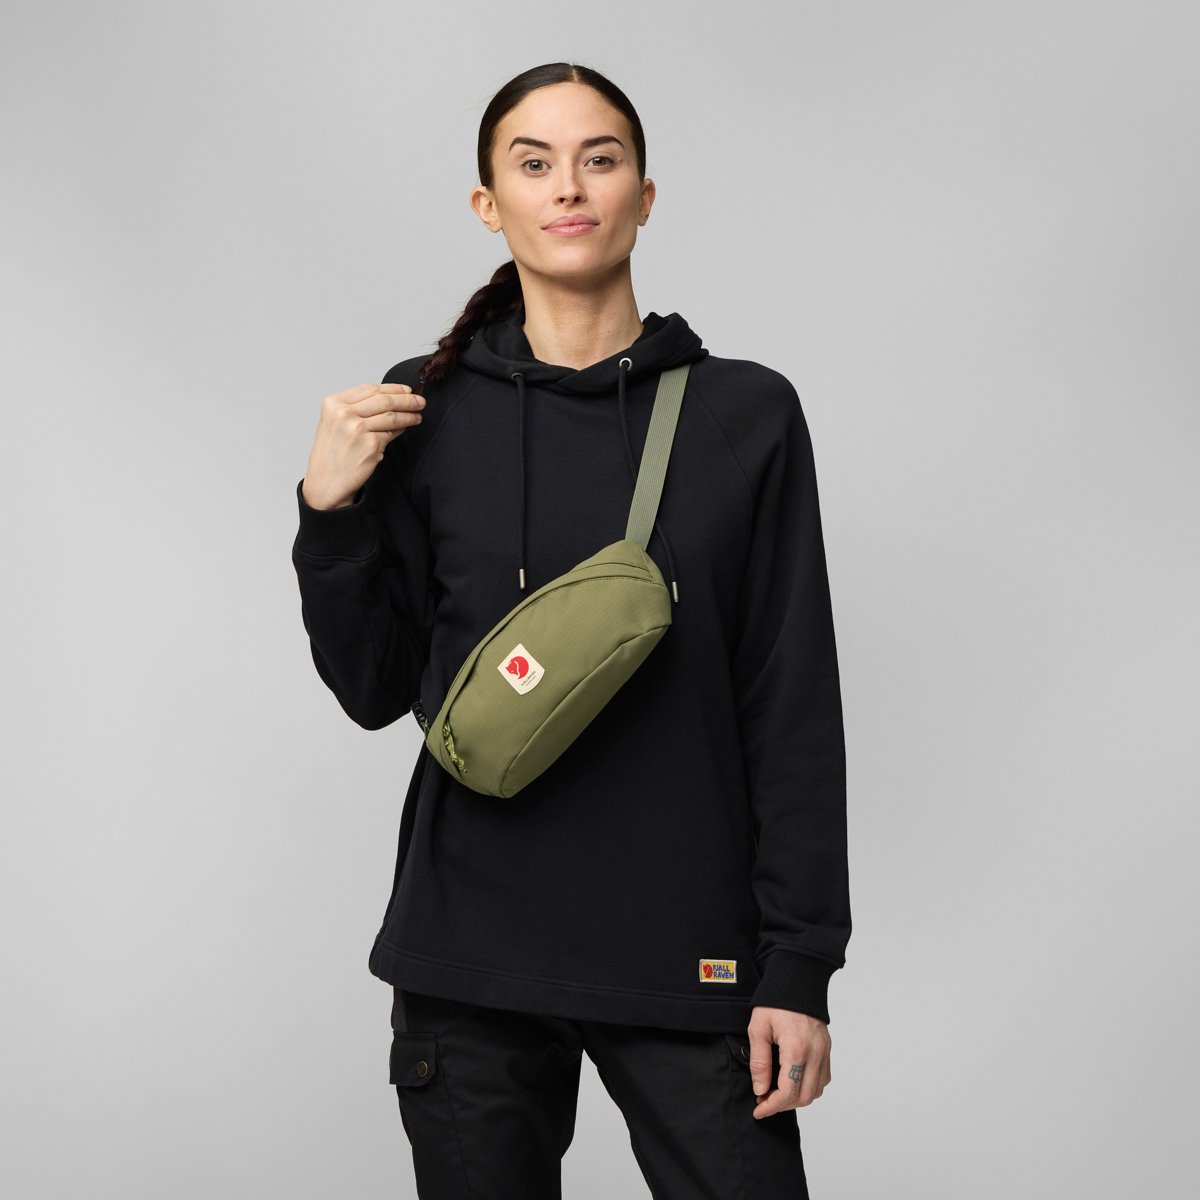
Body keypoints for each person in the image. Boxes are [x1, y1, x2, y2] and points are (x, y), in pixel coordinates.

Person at [291, 61, 851, 1200]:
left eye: (600, 159)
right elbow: (374, 688)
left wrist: (799, 964)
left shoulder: (748, 415)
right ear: (487, 204)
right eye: (533, 164)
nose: (569, 187)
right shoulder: (421, 408)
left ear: (645, 194)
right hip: (471, 952)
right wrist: (327, 514)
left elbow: (790, 698)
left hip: (690, 949)